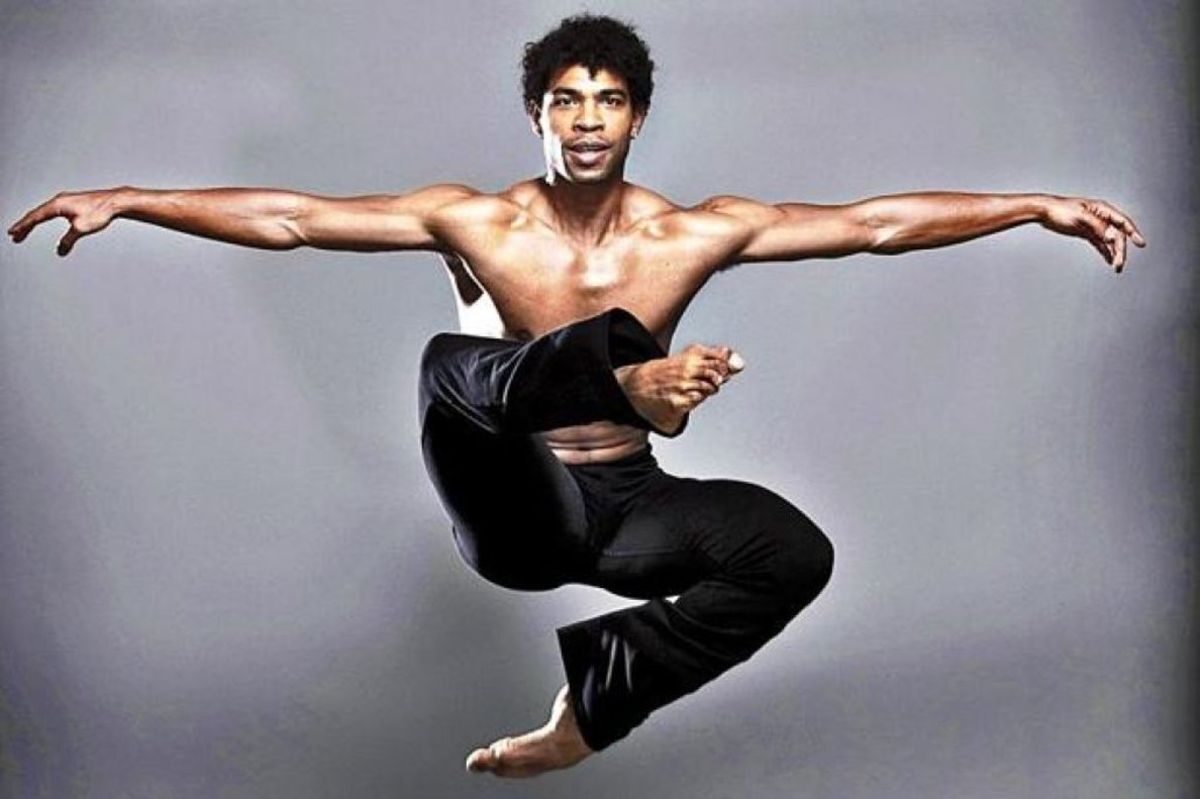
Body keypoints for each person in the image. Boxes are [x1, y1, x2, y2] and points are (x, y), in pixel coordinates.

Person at [7, 13, 1144, 780]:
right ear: (538, 118)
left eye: (608, 101)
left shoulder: (690, 234)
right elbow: (293, 217)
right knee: (449, 368)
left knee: (793, 551)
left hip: (627, 504)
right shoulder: (477, 223)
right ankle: (626, 378)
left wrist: (1033, 205)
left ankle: (591, 708)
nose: (588, 118)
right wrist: (133, 197)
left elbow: (872, 225)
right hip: (517, 501)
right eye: (565, 100)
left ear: (637, 118)